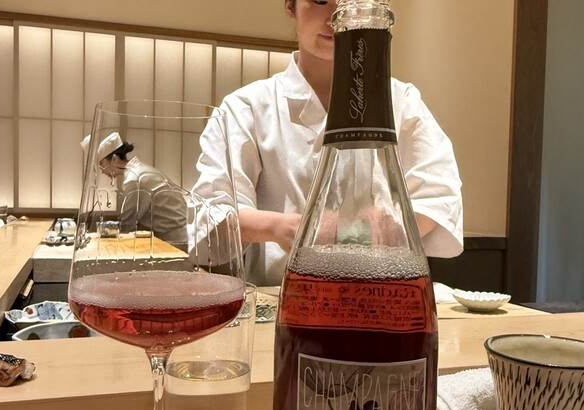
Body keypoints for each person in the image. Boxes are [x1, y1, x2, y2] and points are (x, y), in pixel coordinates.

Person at [195, 0, 463, 286]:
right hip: (280, 296)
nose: (335, 16)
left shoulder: (401, 101)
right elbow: (212, 212)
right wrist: (282, 227)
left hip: (384, 292)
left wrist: (376, 225)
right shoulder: (246, 107)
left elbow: (438, 197)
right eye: (320, 1)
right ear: (291, 6)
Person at [81, 132, 188, 249]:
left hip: (175, 239)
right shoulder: (138, 170)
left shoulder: (135, 179)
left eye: (102, 164)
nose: (102, 170)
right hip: (173, 235)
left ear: (114, 159)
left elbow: (128, 223)